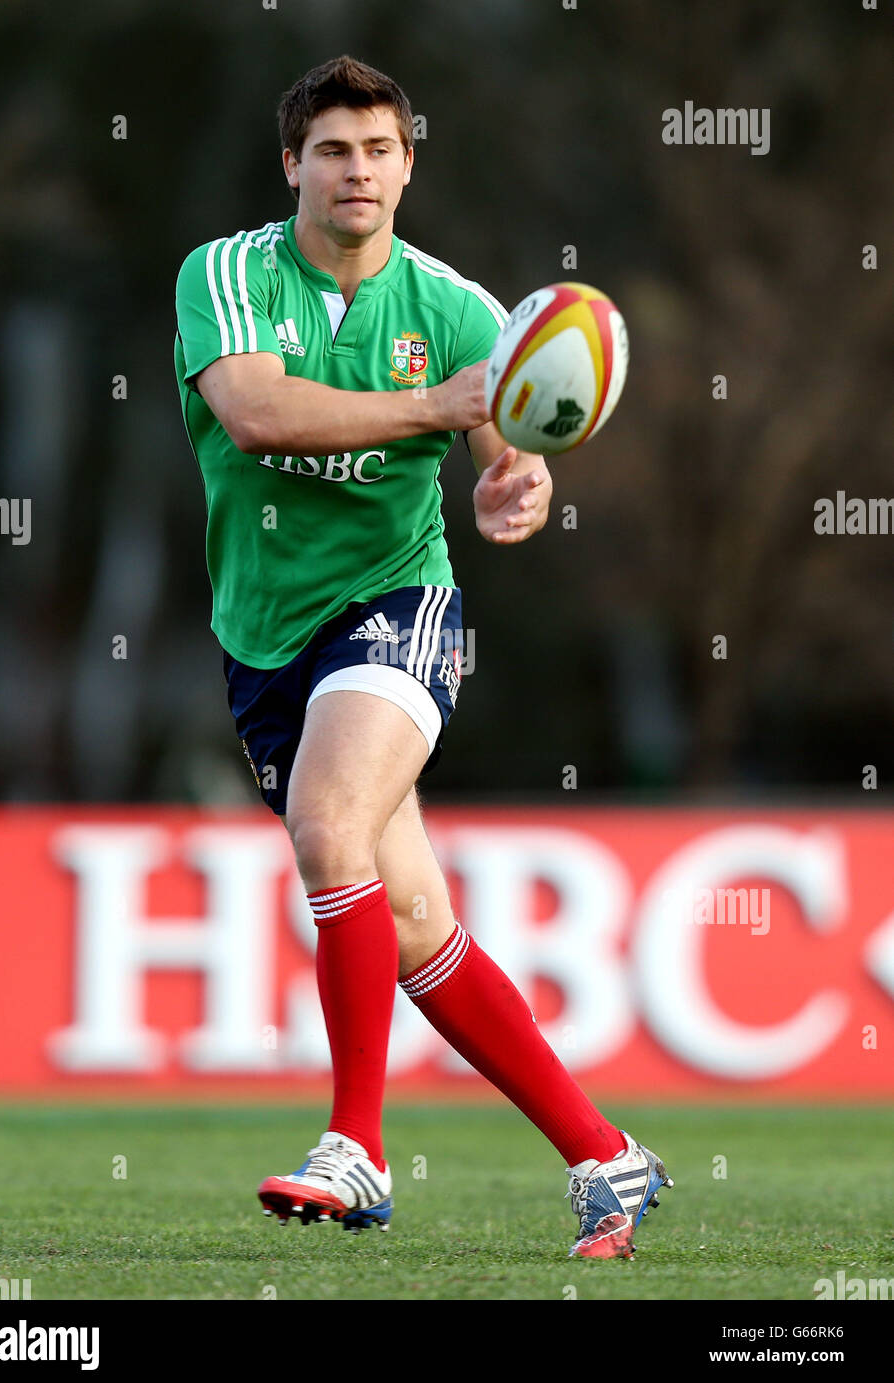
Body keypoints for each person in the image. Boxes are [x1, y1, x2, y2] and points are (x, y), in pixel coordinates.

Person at [174, 54, 671, 1260]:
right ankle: (610, 1158)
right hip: (262, 639)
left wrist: (520, 482)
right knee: (407, 923)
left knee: (328, 823)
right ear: (292, 164)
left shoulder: (456, 307)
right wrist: (448, 410)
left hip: (401, 608)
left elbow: (508, 450)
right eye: (333, 150)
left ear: (408, 162)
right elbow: (260, 412)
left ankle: (355, 1145)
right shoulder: (228, 275)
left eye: (380, 148)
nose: (359, 170)